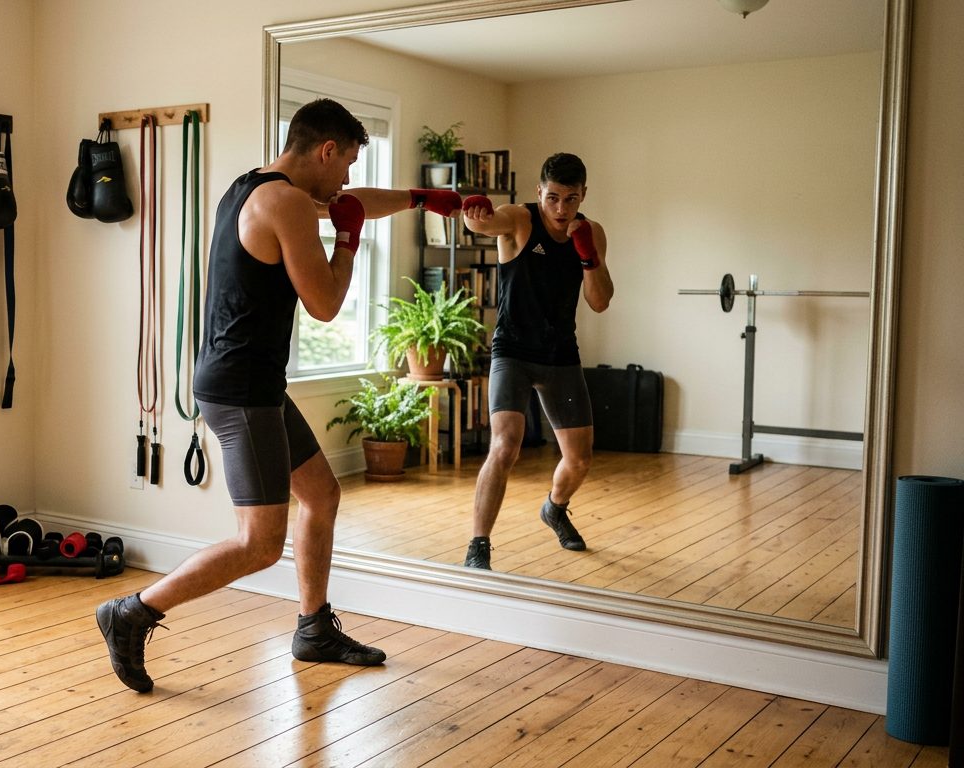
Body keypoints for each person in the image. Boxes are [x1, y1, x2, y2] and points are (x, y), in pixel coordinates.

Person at [96, 98, 463, 693]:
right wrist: (346, 241)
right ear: (324, 150)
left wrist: (422, 200)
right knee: (259, 543)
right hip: (242, 392)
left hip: (249, 383)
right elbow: (323, 304)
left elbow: (352, 201)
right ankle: (133, 611)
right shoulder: (287, 203)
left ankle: (314, 627)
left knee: (320, 493)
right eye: (343, 163)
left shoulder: (254, 187)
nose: (345, 179)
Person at [458, 152, 613, 569]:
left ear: (583, 195)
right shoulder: (520, 220)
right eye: (553, 198)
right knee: (505, 444)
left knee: (579, 459)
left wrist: (588, 256)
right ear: (538, 192)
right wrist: (474, 213)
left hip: (561, 354)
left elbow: (599, 302)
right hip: (513, 351)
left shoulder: (591, 232)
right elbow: (483, 223)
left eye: (571, 199)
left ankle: (555, 507)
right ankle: (478, 545)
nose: (561, 209)